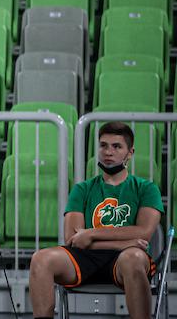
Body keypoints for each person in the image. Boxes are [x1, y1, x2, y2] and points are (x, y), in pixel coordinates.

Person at [29, 122, 164, 319]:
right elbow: (73, 239)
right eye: (103, 145)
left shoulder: (146, 188)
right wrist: (124, 242)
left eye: (117, 146)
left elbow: (143, 232)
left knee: (133, 259)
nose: (108, 152)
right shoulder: (82, 189)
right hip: (87, 256)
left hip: (126, 257)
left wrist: (91, 233)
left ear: (130, 152)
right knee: (40, 259)